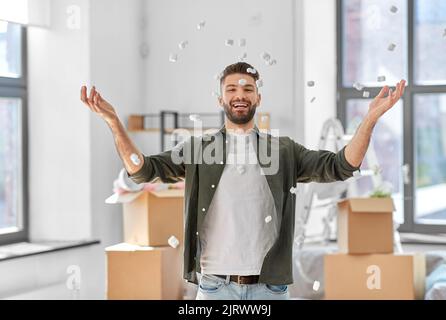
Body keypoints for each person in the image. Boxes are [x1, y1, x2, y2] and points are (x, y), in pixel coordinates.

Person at [80, 62, 406, 300]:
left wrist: (370, 119)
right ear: (220, 99)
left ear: (258, 98)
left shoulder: (283, 150)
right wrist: (113, 122)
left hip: (270, 288)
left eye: (248, 89)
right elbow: (143, 170)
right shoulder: (197, 150)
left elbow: (341, 166)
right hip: (214, 287)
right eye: (231, 89)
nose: (240, 95)